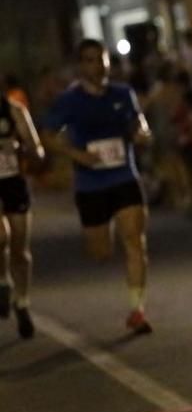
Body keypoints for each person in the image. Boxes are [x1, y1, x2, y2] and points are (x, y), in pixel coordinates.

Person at [41, 39, 154, 334]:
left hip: (124, 176)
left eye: (102, 59)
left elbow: (138, 123)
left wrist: (141, 133)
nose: (98, 65)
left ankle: (137, 310)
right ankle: (107, 232)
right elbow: (47, 136)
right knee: (100, 252)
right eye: (90, 60)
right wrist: (77, 155)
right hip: (91, 184)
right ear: (81, 65)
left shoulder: (122, 93)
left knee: (135, 243)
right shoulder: (70, 100)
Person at [0, 94, 44, 338]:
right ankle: (3, 280)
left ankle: (22, 302)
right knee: (0, 236)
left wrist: (22, 148)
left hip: (13, 183)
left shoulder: (14, 111)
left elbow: (37, 150)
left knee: (20, 248)